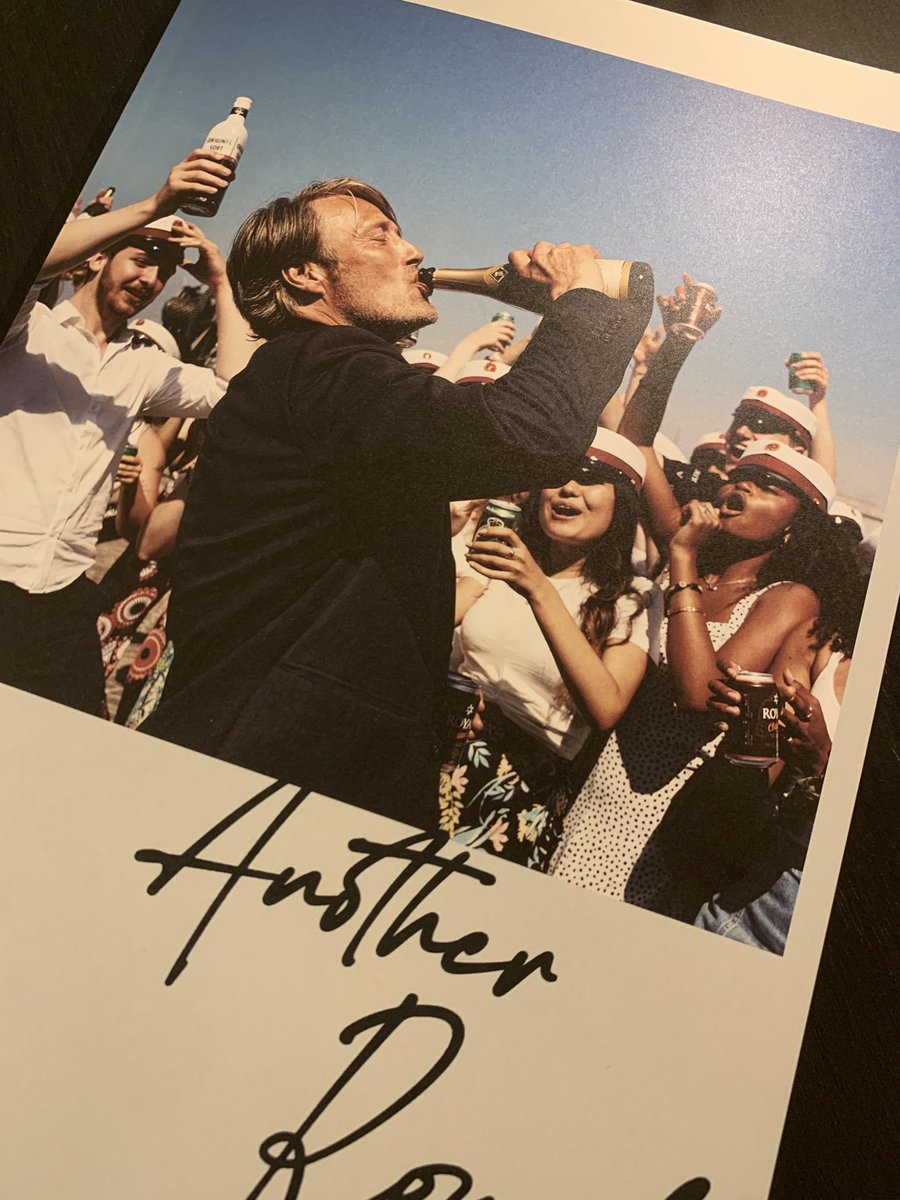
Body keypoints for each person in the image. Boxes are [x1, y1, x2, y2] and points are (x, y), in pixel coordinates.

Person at [143, 178, 653, 823]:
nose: (413, 251)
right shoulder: (326, 365)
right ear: (304, 274)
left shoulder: (311, 375)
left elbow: (548, 427)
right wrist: (577, 298)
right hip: (271, 763)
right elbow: (526, 434)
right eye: (378, 237)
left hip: (278, 751)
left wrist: (602, 310)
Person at [550, 439, 858, 915]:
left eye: (769, 487)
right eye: (741, 477)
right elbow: (639, 443)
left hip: (664, 811)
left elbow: (698, 693)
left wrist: (682, 561)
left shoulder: (788, 598)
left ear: (793, 528)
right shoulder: (693, 560)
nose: (744, 487)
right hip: (598, 781)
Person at [0, 147, 258, 714]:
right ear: (97, 256)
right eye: (141, 260)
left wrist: (220, 281)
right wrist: (155, 205)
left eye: (164, 271)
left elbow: (236, 393)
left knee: (64, 745)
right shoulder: (26, 329)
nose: (152, 279)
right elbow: (30, 258)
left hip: (63, 592)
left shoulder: (145, 367)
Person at [442, 429, 652, 869]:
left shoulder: (632, 597)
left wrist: (538, 587)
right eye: (560, 474)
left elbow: (606, 708)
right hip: (443, 748)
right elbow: (431, 622)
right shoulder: (503, 557)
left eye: (590, 480)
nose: (569, 488)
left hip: (516, 791)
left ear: (621, 506)